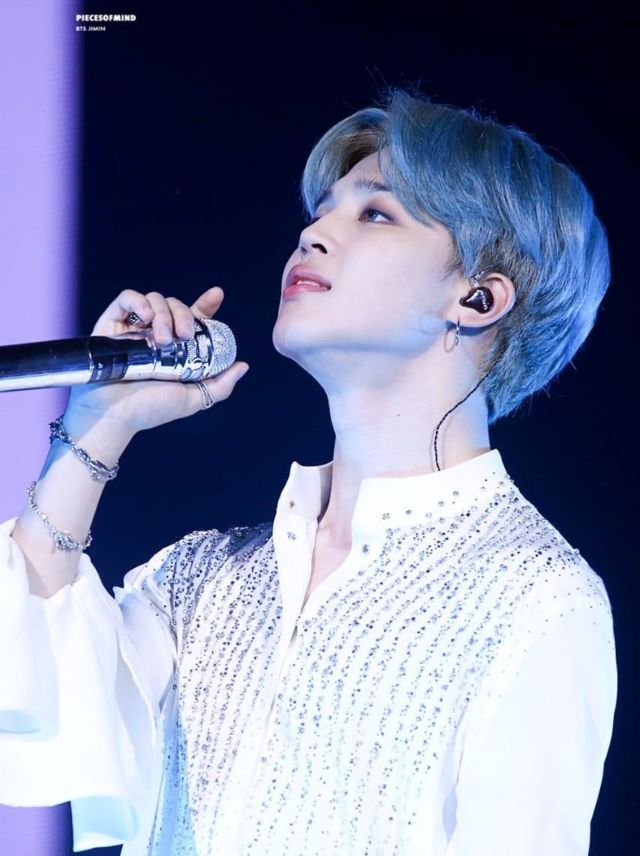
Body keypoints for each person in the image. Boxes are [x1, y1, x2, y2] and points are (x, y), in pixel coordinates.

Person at [0, 87, 617, 854]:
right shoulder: (203, 579)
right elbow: (30, 708)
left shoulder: (537, 599)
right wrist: (99, 424)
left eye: (376, 213)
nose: (313, 233)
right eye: (322, 211)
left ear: (478, 296)